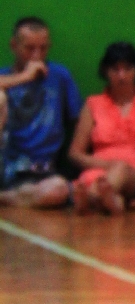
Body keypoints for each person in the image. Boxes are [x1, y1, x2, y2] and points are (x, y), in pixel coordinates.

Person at [69, 42, 135, 214]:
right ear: (106, 71)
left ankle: (92, 199)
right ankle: (111, 201)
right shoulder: (93, 104)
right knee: (102, 180)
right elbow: (75, 153)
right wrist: (108, 165)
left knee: (121, 171)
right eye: (115, 70)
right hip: (100, 171)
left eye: (128, 69)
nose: (121, 76)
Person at [0, 16, 80, 208]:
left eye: (43, 48)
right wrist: (24, 77)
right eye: (29, 48)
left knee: (58, 190)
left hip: (43, 171)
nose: (37, 56)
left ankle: (7, 198)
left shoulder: (59, 76)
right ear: (14, 46)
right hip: (6, 166)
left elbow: (77, 119)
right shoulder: (5, 76)